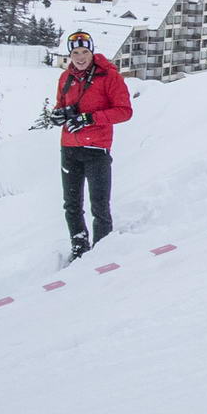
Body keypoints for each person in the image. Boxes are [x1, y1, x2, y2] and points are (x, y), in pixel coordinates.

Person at [53, 29, 134, 259]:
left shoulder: (109, 77)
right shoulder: (65, 78)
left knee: (99, 205)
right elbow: (60, 105)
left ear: (92, 51)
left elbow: (125, 111)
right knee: (71, 204)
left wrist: (90, 118)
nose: (80, 58)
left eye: (85, 52)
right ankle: (79, 247)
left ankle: (102, 252)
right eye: (76, 53)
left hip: (96, 149)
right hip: (69, 147)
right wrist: (58, 115)